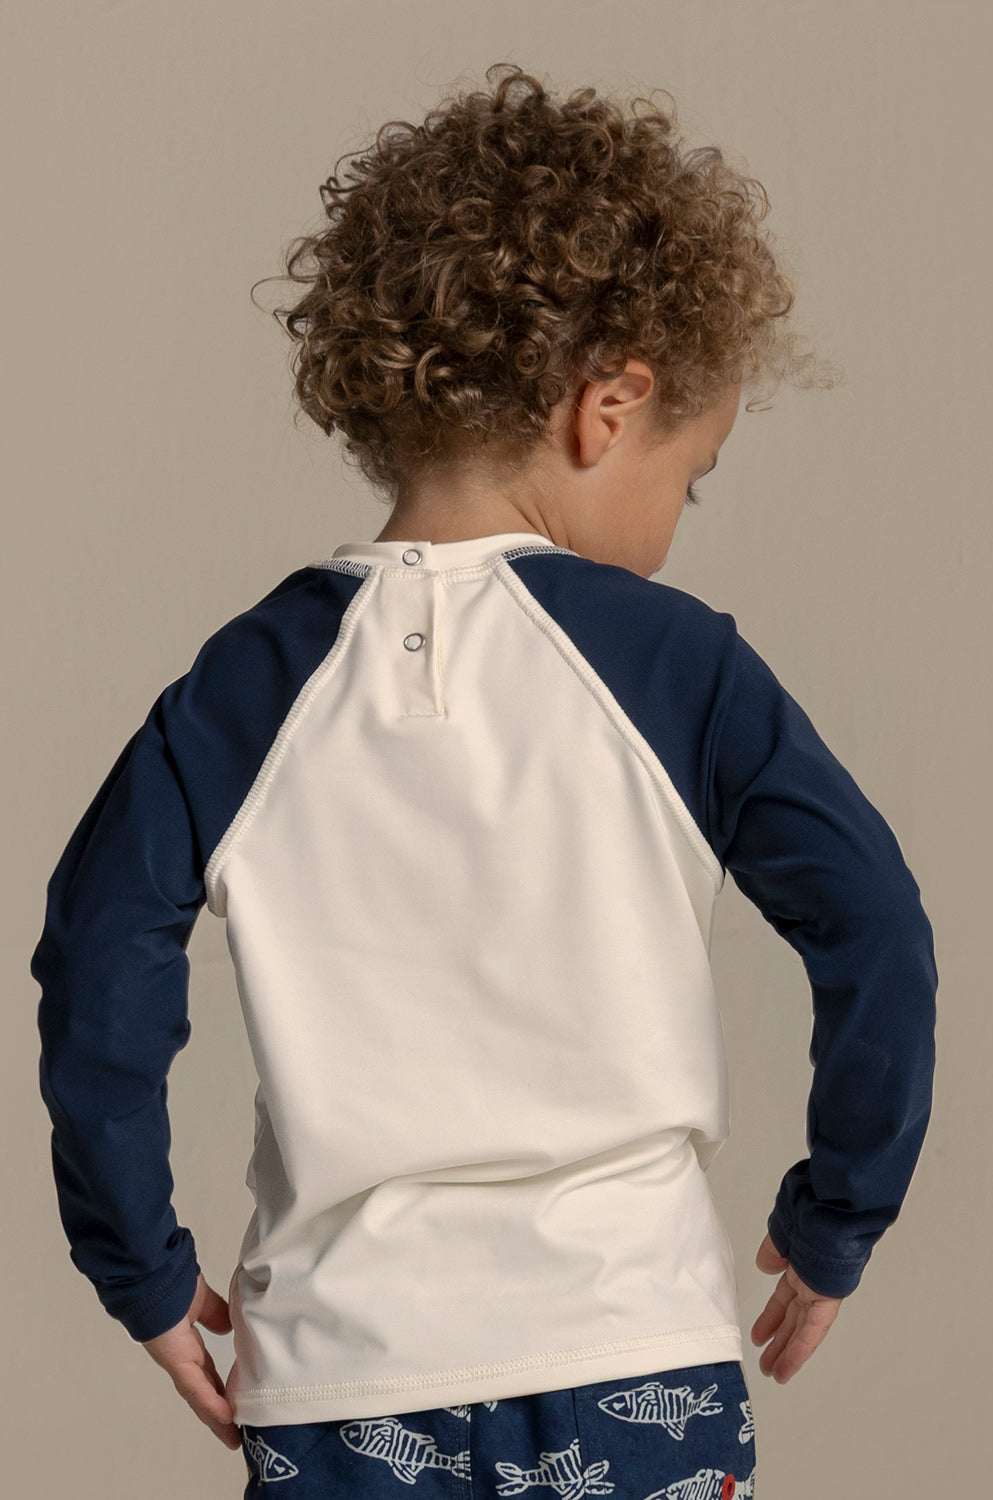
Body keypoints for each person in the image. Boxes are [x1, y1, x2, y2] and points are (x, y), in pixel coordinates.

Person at [31, 63, 937, 1498]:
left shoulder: (244, 688)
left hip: (342, 1387)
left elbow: (94, 972)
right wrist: (840, 1214)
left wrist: (136, 1263)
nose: (680, 515)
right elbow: (878, 933)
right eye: (691, 473)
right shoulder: (679, 666)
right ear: (607, 406)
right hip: (635, 1360)